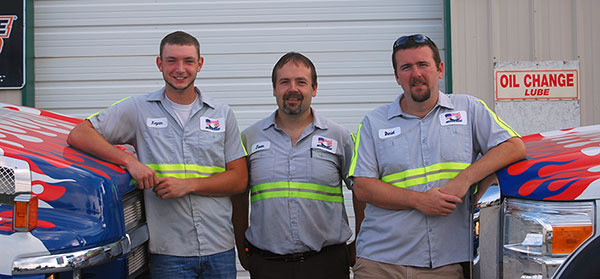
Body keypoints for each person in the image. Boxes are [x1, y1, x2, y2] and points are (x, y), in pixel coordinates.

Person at [67, 31, 248, 279]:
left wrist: (188, 185)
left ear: (200, 64)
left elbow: (239, 180)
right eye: (172, 60)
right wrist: (129, 161)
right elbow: (79, 134)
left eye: (188, 61)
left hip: (219, 249)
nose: (180, 68)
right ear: (159, 64)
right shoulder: (138, 109)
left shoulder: (221, 114)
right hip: (168, 253)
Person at [350, 34, 526, 279]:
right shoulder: (373, 123)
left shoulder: (469, 109)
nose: (416, 74)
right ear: (397, 76)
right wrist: (419, 201)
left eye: (423, 65)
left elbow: (514, 146)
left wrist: (464, 180)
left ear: (440, 69)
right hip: (380, 262)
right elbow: (362, 187)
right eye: (406, 67)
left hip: (445, 263)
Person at [232, 52, 364, 279]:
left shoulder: (339, 137)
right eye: (284, 82)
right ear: (274, 89)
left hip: (327, 263)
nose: (292, 88)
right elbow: (239, 195)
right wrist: (242, 246)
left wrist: (359, 242)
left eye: (301, 82)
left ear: (314, 89)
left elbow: (362, 191)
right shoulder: (249, 138)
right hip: (268, 265)